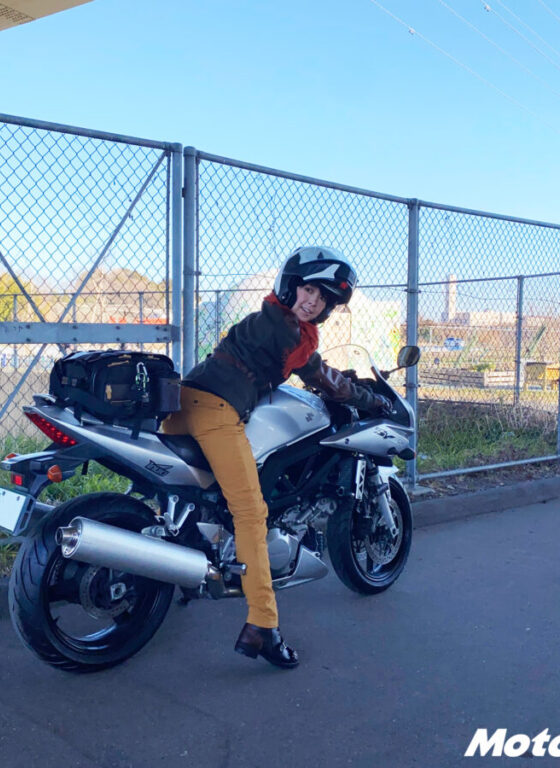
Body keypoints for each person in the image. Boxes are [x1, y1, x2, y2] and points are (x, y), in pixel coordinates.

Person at [161, 246, 391, 669]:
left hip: (182, 402)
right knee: (251, 513)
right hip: (214, 410)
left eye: (323, 298)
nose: (313, 302)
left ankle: (183, 563)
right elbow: (323, 377)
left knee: (193, 492)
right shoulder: (289, 333)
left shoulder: (266, 319)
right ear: (291, 287)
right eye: (308, 289)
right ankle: (262, 626)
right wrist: (369, 400)